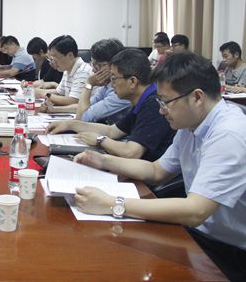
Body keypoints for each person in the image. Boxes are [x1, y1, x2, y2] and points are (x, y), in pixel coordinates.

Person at [72, 52, 246, 280]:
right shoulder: (191, 124)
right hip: (203, 236)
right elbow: (157, 171)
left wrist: (112, 204)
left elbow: (196, 211)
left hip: (231, 252)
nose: (162, 110)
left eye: (166, 102)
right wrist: (103, 160)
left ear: (197, 97)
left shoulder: (229, 134)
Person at [48, 49, 175, 161]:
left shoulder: (154, 103)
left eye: (114, 78)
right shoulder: (142, 99)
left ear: (132, 81)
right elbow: (112, 131)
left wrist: (100, 140)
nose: (111, 83)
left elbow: (131, 152)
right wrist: (71, 124)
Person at [76, 38, 132, 124]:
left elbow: (82, 119)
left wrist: (88, 84)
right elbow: (88, 106)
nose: (93, 70)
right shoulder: (109, 85)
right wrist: (56, 109)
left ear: (114, 64)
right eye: (92, 64)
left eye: (97, 65)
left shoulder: (122, 89)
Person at [36, 35, 91, 112]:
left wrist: (45, 94)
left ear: (70, 55)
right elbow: (59, 92)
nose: (53, 62)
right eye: (52, 58)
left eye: (55, 57)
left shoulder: (83, 71)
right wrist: (35, 91)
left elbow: (74, 100)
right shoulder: (67, 69)